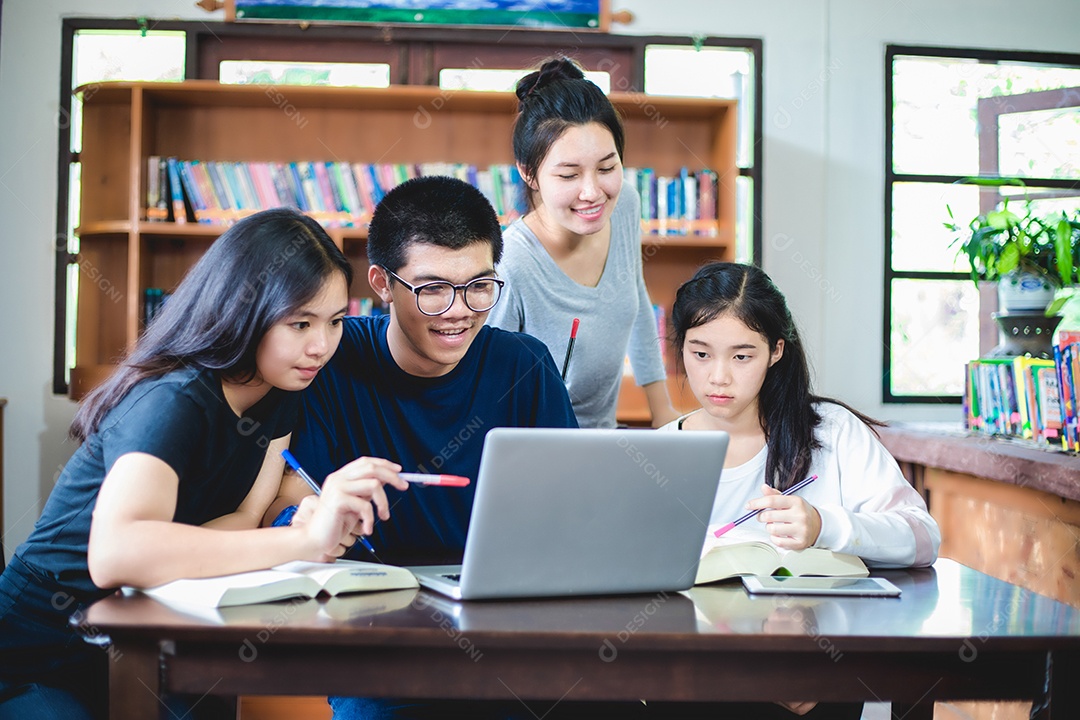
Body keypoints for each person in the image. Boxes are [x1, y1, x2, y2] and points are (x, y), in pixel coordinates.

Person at [0, 208, 408, 720]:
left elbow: (245, 515)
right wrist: (305, 541)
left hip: (151, 628)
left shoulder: (280, 390)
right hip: (39, 644)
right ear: (244, 311)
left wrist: (309, 516)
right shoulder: (172, 399)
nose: (321, 346)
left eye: (334, 322)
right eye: (300, 323)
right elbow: (115, 553)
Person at [286, 176, 645, 719]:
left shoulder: (523, 365)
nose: (459, 311)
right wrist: (311, 518)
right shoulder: (330, 362)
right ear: (382, 283)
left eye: (480, 285)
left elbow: (573, 514)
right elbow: (292, 510)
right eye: (432, 289)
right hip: (377, 638)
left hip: (510, 631)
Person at [652, 261, 941, 720]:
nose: (719, 376)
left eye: (742, 356)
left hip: (816, 669)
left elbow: (923, 538)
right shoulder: (659, 453)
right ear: (679, 348)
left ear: (776, 351)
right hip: (698, 674)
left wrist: (826, 525)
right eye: (700, 353)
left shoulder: (832, 432)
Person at [486, 56, 678, 429]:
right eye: (569, 174)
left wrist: (663, 411)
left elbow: (636, 298)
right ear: (529, 173)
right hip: (535, 452)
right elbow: (491, 390)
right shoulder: (512, 263)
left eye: (607, 168)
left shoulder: (623, 204)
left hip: (603, 443)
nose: (593, 193)